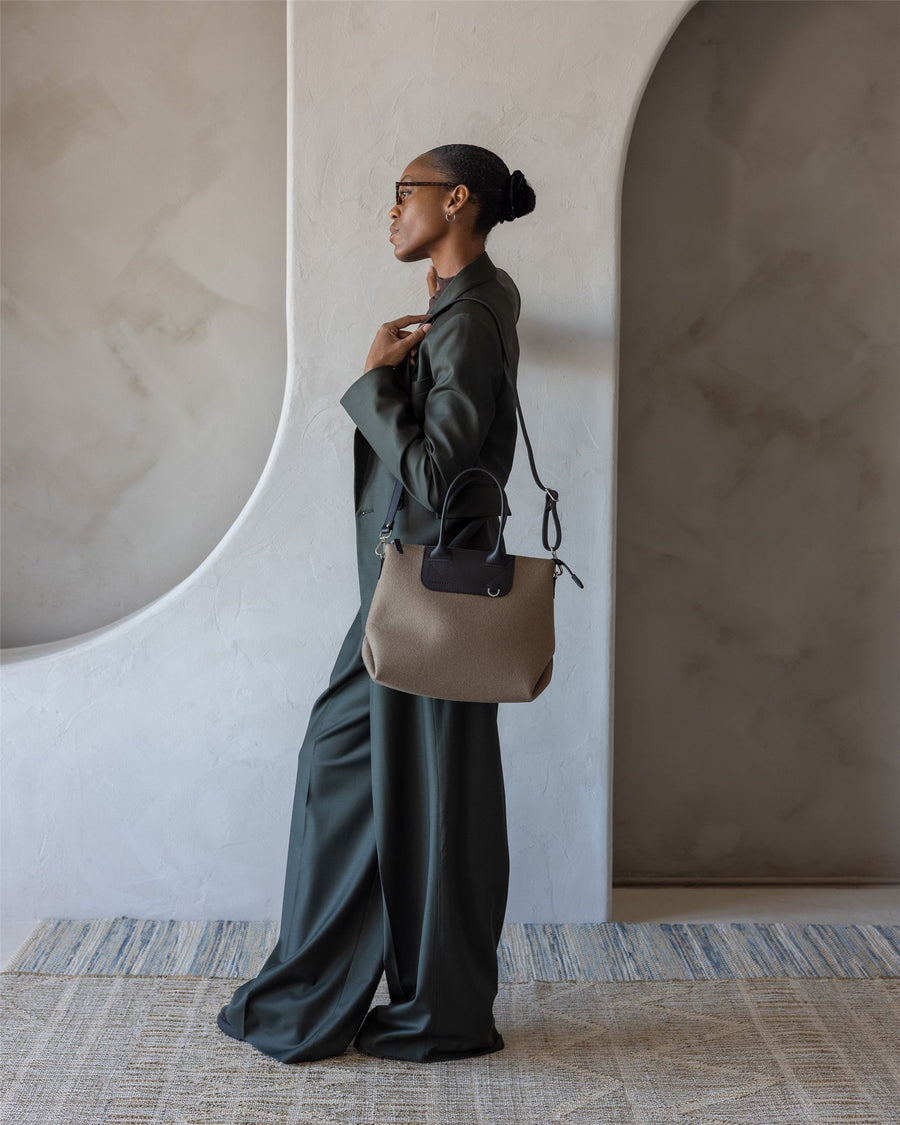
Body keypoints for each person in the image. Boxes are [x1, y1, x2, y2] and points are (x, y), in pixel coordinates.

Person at [216, 144, 536, 1064]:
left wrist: (371, 381)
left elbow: (440, 467)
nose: (391, 211)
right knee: (375, 769)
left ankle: (437, 1007)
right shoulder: (464, 302)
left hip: (430, 598)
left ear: (458, 199)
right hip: (411, 592)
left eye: (406, 193)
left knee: (431, 792)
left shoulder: (472, 315)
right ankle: (355, 981)